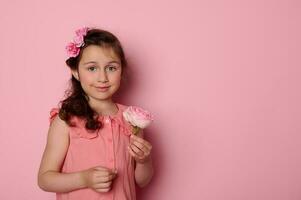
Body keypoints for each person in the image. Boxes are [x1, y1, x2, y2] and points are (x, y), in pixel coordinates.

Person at [37, 27, 154, 200]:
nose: (102, 78)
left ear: (122, 70)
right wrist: (84, 178)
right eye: (92, 68)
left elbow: (142, 181)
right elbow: (44, 179)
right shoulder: (65, 120)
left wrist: (144, 161)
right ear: (75, 71)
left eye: (111, 68)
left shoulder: (132, 119)